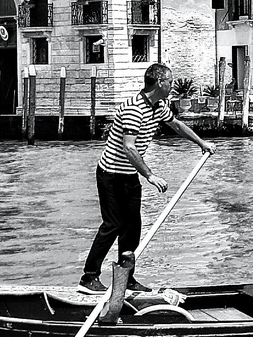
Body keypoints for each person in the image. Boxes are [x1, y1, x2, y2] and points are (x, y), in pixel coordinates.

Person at [81, 62, 212, 295]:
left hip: (129, 175)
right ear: (160, 82)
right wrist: (150, 175)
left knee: (132, 227)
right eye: (170, 81)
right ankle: (89, 278)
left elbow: (176, 125)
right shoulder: (134, 109)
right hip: (110, 174)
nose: (172, 85)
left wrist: (201, 143)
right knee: (113, 224)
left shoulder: (157, 106)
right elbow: (129, 148)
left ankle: (126, 278)